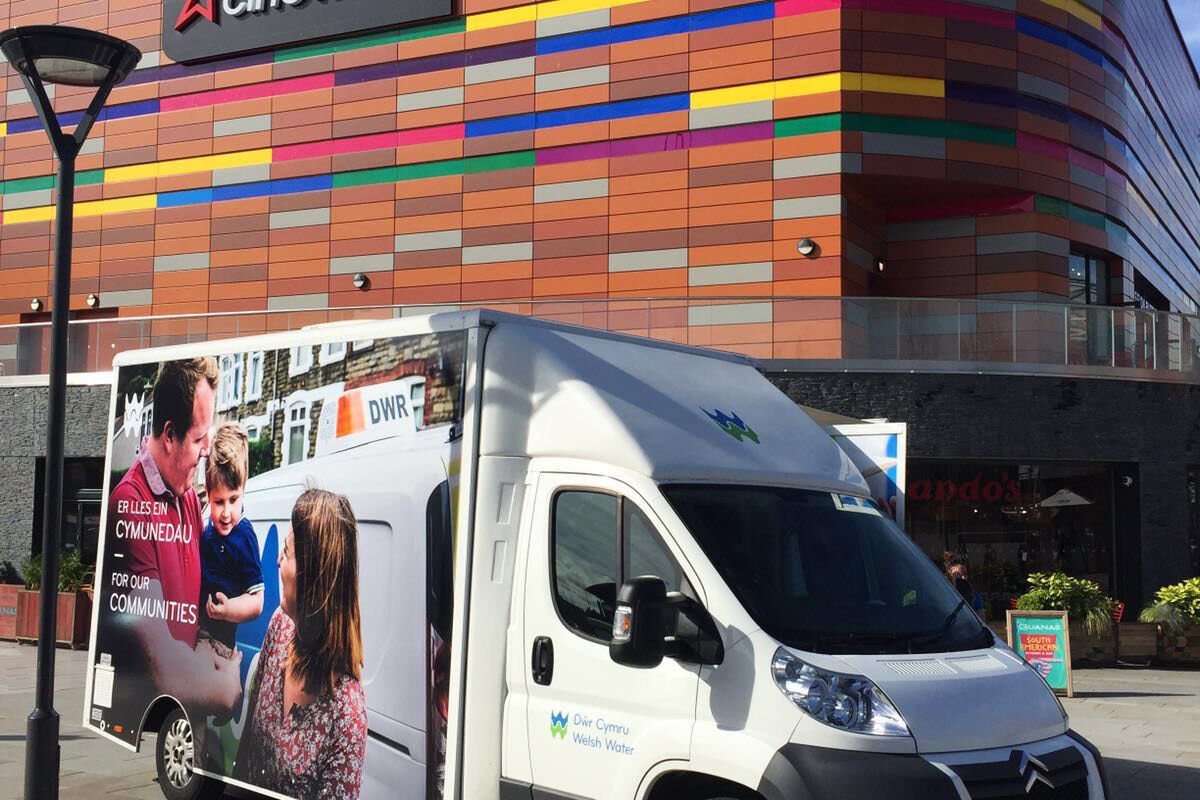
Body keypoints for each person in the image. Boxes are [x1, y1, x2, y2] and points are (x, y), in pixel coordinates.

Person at [105, 358, 242, 716]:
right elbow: (163, 663)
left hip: (184, 708)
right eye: (199, 438)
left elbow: (193, 614)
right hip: (148, 708)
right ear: (169, 435)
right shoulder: (130, 502)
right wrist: (224, 687)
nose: (207, 449)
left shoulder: (185, 498)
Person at [237, 488, 367, 799]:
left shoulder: (346, 715)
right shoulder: (279, 628)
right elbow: (244, 752)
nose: (278, 560)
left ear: (315, 578)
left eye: (287, 551)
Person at [198, 422, 265, 657]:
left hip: (220, 646)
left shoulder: (245, 536)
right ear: (207, 493)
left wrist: (229, 610)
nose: (226, 513)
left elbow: (257, 601)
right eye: (218, 502)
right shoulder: (209, 529)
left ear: (244, 490)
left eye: (233, 500)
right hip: (196, 633)